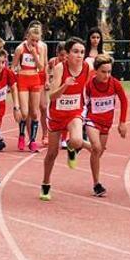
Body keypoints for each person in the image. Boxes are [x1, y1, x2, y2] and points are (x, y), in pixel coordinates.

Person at [40, 38, 93, 201]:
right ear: (68, 55)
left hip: (74, 112)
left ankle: (72, 148)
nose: (79, 55)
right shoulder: (59, 68)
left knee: (77, 140)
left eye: (82, 52)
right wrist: (65, 85)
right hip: (56, 115)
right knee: (52, 154)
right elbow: (52, 95)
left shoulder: (87, 67)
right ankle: (45, 184)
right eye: (75, 52)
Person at [84, 54, 128, 197]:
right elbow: (82, 103)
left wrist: (122, 122)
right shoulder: (89, 85)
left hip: (106, 124)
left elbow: (124, 101)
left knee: (98, 153)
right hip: (91, 120)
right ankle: (96, 184)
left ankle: (80, 144)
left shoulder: (115, 83)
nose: (107, 75)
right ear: (96, 71)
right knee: (96, 148)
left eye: (109, 72)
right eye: (103, 72)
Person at [13, 25, 46, 153]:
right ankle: (21, 135)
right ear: (27, 37)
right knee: (25, 112)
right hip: (23, 79)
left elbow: (41, 67)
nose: (34, 43)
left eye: (37, 40)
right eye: (32, 40)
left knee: (34, 112)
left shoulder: (40, 49)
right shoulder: (20, 48)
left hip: (34, 80)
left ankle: (32, 140)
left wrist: (34, 54)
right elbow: (13, 66)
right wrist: (14, 80)